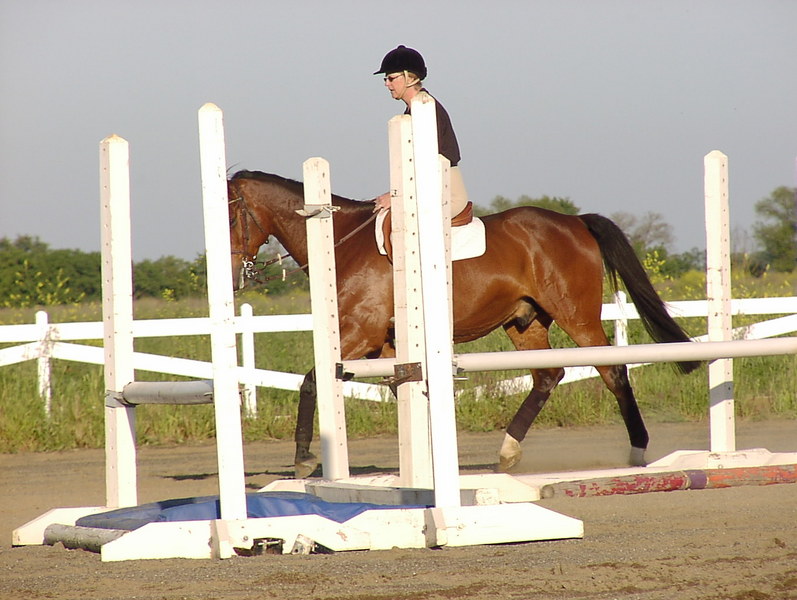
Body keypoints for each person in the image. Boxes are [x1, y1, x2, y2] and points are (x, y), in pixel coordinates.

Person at [372, 45, 469, 218]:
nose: (387, 84)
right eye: (386, 79)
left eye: (391, 78)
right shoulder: (412, 110)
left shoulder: (426, 109)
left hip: (446, 193)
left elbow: (428, 165)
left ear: (409, 78)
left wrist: (396, 196)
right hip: (426, 188)